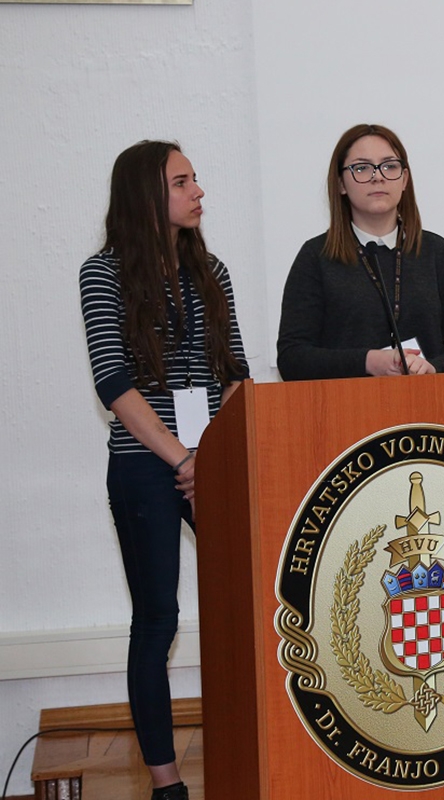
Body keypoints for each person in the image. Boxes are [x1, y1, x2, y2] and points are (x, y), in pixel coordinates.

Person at [79, 140, 249, 800]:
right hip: (146, 468)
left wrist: (214, 460)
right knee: (158, 621)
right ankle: (167, 783)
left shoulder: (212, 272)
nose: (198, 191)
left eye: (194, 179)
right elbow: (113, 384)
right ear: (146, 196)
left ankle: (254, 746)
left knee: (255, 601)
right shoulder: (102, 274)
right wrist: (185, 460)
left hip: (214, 462)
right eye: (183, 182)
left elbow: (235, 374)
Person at [277, 123, 444, 380]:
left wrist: (434, 368)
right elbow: (292, 357)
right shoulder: (316, 257)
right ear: (341, 183)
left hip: (425, 400)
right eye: (362, 168)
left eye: (389, 166)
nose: (378, 177)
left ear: (404, 179)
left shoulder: (435, 252)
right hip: (345, 402)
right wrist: (368, 361)